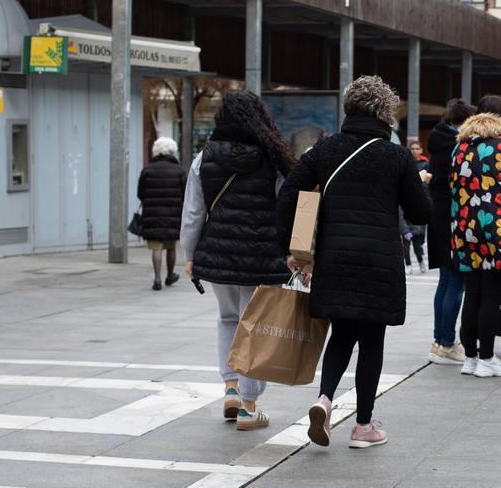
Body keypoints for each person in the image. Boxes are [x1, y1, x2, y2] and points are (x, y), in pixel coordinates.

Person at [277, 75, 432, 449]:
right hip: (379, 261)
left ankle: (325, 399)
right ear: (385, 112)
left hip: (335, 258)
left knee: (342, 333)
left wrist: (292, 249)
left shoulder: (325, 150)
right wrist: (420, 181)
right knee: (372, 341)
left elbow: (287, 197)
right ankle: (363, 426)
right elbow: (421, 211)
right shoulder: (395, 155)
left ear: (349, 108)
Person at [180, 90, 294, 431]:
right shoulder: (272, 158)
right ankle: (248, 405)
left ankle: (230, 387)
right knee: (254, 326)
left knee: (227, 319)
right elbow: (285, 209)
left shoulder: (205, 158)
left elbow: (192, 213)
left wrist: (189, 255)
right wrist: (293, 251)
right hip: (262, 257)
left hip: (219, 255)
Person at [450, 94, 501, 378]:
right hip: (496, 226)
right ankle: (487, 357)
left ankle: (470, 357)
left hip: (465, 227)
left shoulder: (460, 145)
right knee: (492, 294)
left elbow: (453, 185)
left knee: (472, 292)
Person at [426, 99, 474, 365]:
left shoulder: (437, 141)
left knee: (446, 281)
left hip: (438, 215)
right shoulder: (458, 146)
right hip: (454, 216)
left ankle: (439, 340)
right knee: (456, 281)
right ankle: (446, 342)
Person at [137, 136, 186, 291]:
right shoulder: (179, 170)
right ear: (173, 151)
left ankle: (157, 278)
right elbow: (185, 194)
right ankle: (170, 275)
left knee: (156, 247)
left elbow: (140, 193)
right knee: (171, 247)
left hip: (152, 214)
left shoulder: (147, 169)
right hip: (173, 214)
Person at [401, 139, 430, 274]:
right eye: (412, 149)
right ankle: (408, 264)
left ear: (421, 150)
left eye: (417, 148)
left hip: (420, 199)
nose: (414, 151)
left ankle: (420, 261)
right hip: (405, 202)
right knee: (406, 242)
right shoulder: (405, 163)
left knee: (418, 242)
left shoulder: (426, 164)